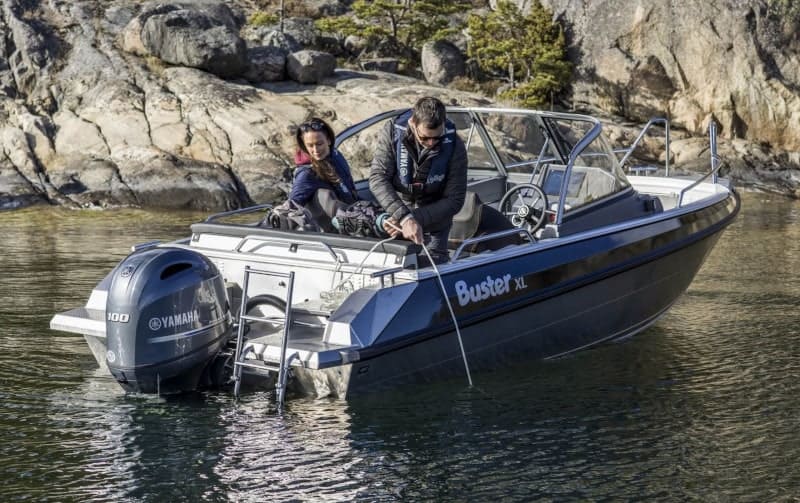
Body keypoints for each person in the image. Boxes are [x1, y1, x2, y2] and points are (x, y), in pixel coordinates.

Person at [369, 96, 468, 263]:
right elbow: (378, 177)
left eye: (437, 138)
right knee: (394, 265)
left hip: (436, 221)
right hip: (396, 213)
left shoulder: (454, 145)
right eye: (424, 138)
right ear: (412, 124)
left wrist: (412, 219)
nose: (431, 143)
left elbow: (455, 200)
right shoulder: (393, 132)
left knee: (434, 265)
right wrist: (403, 217)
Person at [289, 117, 358, 231]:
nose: (316, 150)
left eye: (319, 144)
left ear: (329, 140)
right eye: (310, 145)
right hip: (339, 231)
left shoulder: (335, 156)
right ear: (304, 146)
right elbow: (291, 205)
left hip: (354, 214)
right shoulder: (306, 173)